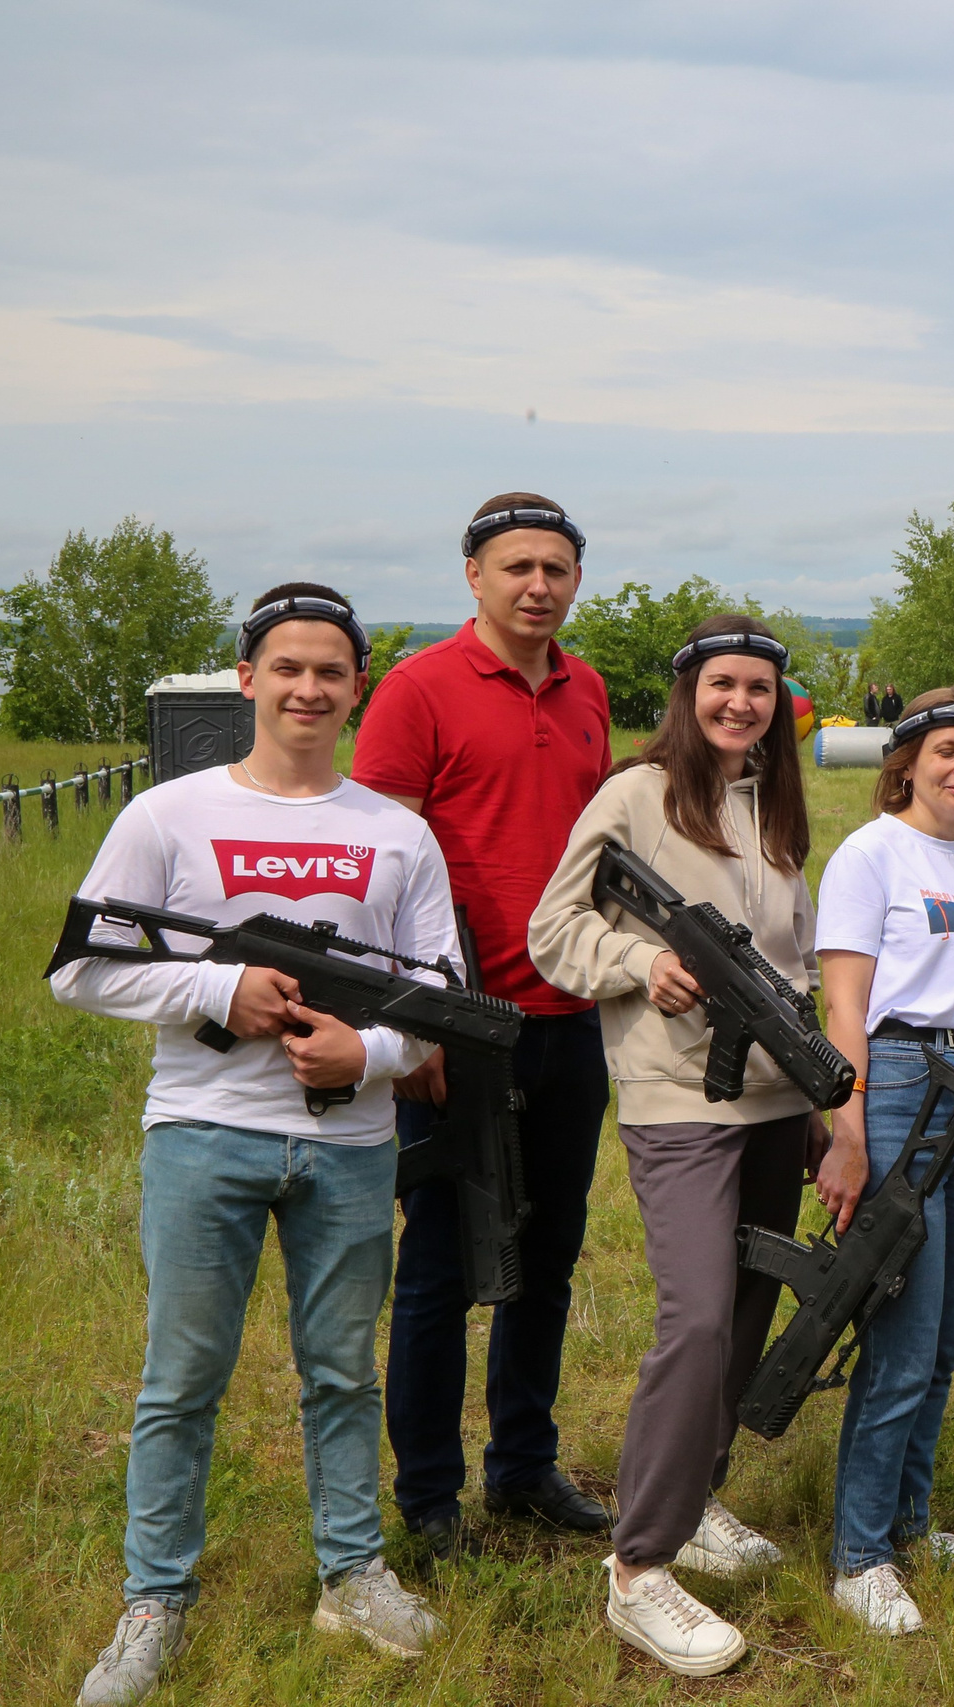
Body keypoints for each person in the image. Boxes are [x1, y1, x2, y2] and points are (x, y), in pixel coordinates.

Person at [56, 586, 450, 1707]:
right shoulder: (166, 816)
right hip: (201, 1136)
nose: (308, 689)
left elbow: (439, 997)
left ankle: (351, 1573)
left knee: (340, 1373)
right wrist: (219, 985)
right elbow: (81, 966)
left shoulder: (395, 832)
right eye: (287, 667)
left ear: (356, 686)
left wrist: (363, 1054)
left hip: (351, 1147)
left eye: (331, 671)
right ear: (248, 680)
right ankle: (154, 1600)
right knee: (180, 1382)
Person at [526, 616, 820, 1677]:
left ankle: (696, 1501)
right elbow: (550, 932)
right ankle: (640, 1567)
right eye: (722, 685)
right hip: (680, 1103)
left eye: (759, 689)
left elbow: (797, 963)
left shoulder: (776, 808)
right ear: (688, 692)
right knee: (695, 1317)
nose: (741, 704)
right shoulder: (633, 796)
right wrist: (637, 965)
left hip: (781, 1099)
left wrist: (828, 1108)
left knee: (745, 1314)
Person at [351, 493, 615, 1557]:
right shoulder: (418, 689)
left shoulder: (590, 689)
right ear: (473, 575)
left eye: (555, 568)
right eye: (517, 567)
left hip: (573, 1016)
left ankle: (523, 1467)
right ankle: (428, 1497)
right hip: (461, 1027)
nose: (537, 585)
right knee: (443, 1267)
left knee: (547, 1254)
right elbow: (375, 865)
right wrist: (411, 1029)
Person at [812, 688, 954, 1635]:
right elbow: (844, 1002)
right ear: (904, 760)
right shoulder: (870, 855)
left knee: (945, 1340)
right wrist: (849, 1127)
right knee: (901, 1342)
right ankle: (859, 1554)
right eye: (948, 749)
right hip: (901, 1082)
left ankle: (913, 1521)